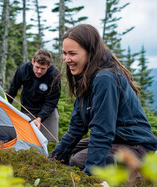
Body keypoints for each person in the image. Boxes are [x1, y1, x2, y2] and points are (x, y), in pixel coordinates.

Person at [49, 24, 157, 175]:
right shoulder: (86, 77)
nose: (67, 59)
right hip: (117, 140)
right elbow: (76, 128)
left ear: (90, 52)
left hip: (137, 146)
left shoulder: (105, 79)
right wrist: (51, 161)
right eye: (64, 53)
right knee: (68, 152)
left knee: (78, 160)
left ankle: (142, 170)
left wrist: (90, 176)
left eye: (72, 53)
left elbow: (102, 131)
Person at [6, 49, 61, 142]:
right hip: (27, 109)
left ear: (49, 66)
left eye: (43, 68)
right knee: (24, 140)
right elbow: (12, 90)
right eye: (37, 67)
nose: (39, 71)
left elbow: (52, 101)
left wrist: (40, 118)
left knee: (51, 141)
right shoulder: (23, 69)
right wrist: (5, 106)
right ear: (33, 62)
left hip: (47, 111)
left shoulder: (54, 75)